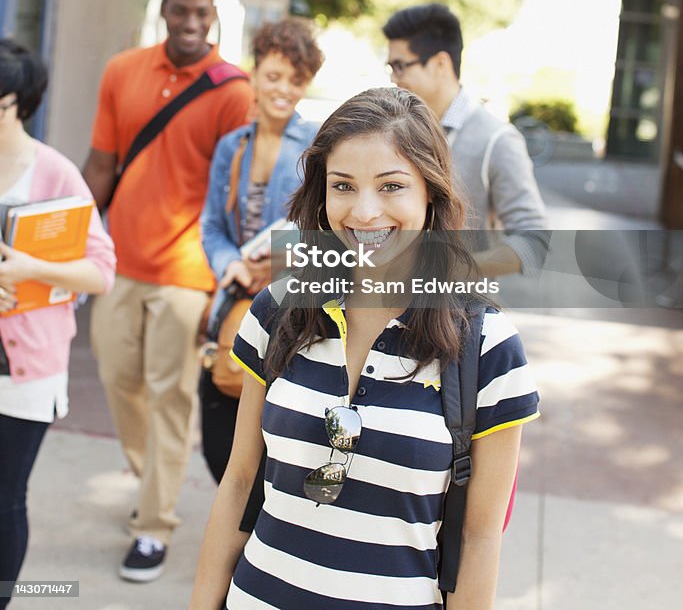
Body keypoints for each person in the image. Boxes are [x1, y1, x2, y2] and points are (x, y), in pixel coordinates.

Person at [189, 87, 540, 610]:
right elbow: (240, 481)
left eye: (391, 186)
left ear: (431, 194)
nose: (365, 211)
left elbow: (480, 538)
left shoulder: (488, 346)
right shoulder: (280, 310)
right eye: (344, 186)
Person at [83, 0, 253, 582]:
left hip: (187, 272)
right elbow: (102, 165)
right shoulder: (122, 71)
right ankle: (150, 472)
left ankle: (153, 525)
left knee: (170, 394)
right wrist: (68, 240)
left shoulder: (234, 91)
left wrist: (235, 271)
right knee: (116, 372)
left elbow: (239, 192)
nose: (189, 22)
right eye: (179, 10)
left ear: (213, 15)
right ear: (163, 9)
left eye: (200, 12)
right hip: (122, 261)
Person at [0, 40, 115, 608]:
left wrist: (29, 268)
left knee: (4, 496)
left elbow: (101, 271)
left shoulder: (54, 173)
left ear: (16, 104)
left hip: (25, 367)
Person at [199, 17, 324, 485]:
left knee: (278, 439)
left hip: (292, 311)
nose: (283, 90)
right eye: (273, 76)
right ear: (254, 73)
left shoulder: (318, 149)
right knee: (218, 438)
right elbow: (211, 223)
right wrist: (229, 262)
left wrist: (286, 256)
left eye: (296, 80)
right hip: (233, 304)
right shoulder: (233, 147)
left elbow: (332, 229)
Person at [383, 3, 549, 277]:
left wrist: (454, 272)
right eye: (391, 67)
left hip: (459, 312)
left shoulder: (497, 139)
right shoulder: (396, 128)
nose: (394, 78)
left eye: (400, 66)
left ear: (440, 63)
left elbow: (534, 240)